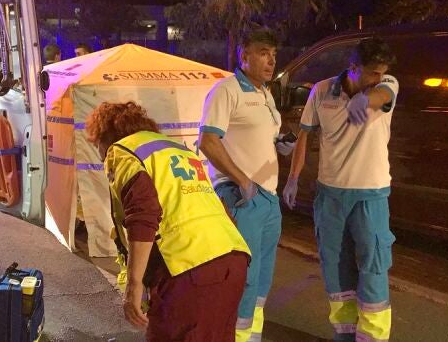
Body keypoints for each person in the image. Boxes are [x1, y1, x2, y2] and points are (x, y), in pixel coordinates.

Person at [86, 101, 251, 341]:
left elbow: (143, 215)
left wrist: (134, 285)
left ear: (105, 135)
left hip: (191, 270)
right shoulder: (177, 150)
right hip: (233, 261)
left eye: (97, 144)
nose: (99, 153)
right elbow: (220, 210)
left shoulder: (123, 152)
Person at [283, 37, 398, 342]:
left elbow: (384, 94)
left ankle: (371, 338)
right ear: (353, 67)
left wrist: (365, 99)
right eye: (372, 73)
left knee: (373, 268)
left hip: (370, 196)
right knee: (335, 270)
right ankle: (344, 335)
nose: (378, 78)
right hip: (330, 196)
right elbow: (305, 135)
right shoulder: (321, 91)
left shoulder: (386, 85)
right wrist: (293, 178)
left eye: (381, 73)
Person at [198, 29, 295, 342]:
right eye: (264, 53)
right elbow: (208, 141)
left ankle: (251, 338)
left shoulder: (265, 93)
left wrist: (281, 145)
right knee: (243, 280)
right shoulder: (227, 90)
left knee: (262, 281)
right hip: (241, 196)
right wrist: (242, 181)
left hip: (268, 198)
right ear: (244, 55)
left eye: (274, 55)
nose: (271, 61)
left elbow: (258, 139)